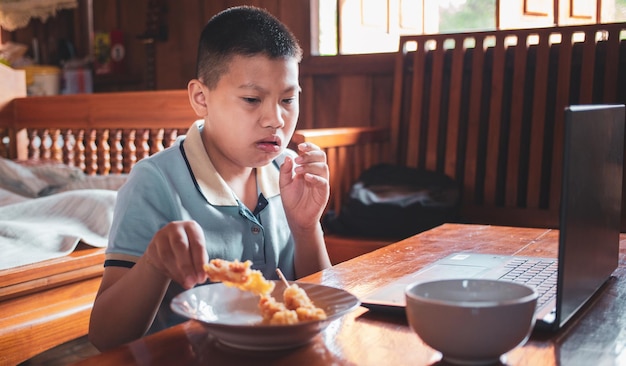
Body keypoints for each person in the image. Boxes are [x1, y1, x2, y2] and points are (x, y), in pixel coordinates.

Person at [88, 5, 331, 351]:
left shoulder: (289, 171)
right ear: (201, 98)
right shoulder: (155, 183)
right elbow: (104, 336)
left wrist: (307, 227)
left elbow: (315, 305)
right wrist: (155, 264)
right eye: (251, 99)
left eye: (288, 99)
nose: (276, 119)